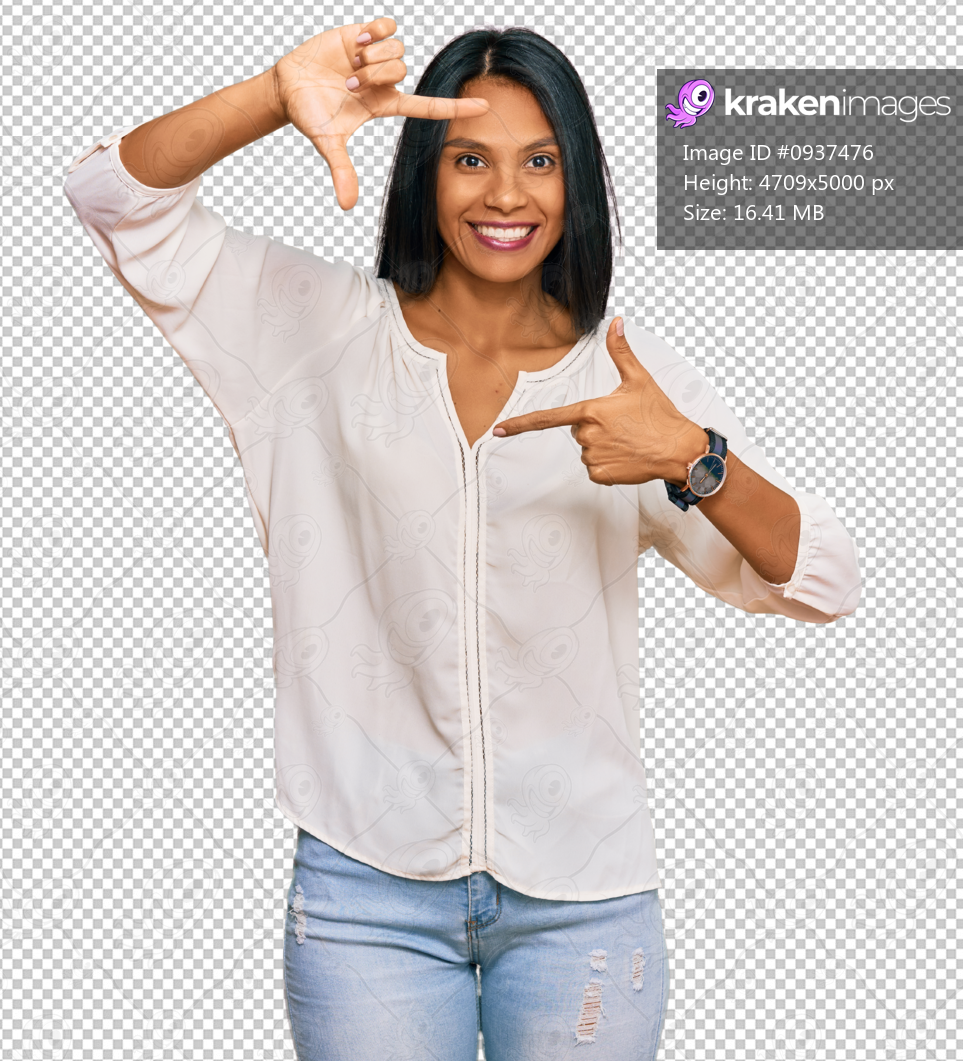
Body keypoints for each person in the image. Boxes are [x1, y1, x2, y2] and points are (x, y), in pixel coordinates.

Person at [63, 16, 862, 1060]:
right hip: (365, 896)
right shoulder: (313, 334)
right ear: (420, 176)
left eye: (539, 160)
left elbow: (824, 577)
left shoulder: (628, 382)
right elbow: (110, 198)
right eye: (468, 159)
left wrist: (691, 456)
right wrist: (271, 93)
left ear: (576, 179)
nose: (504, 195)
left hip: (585, 900)